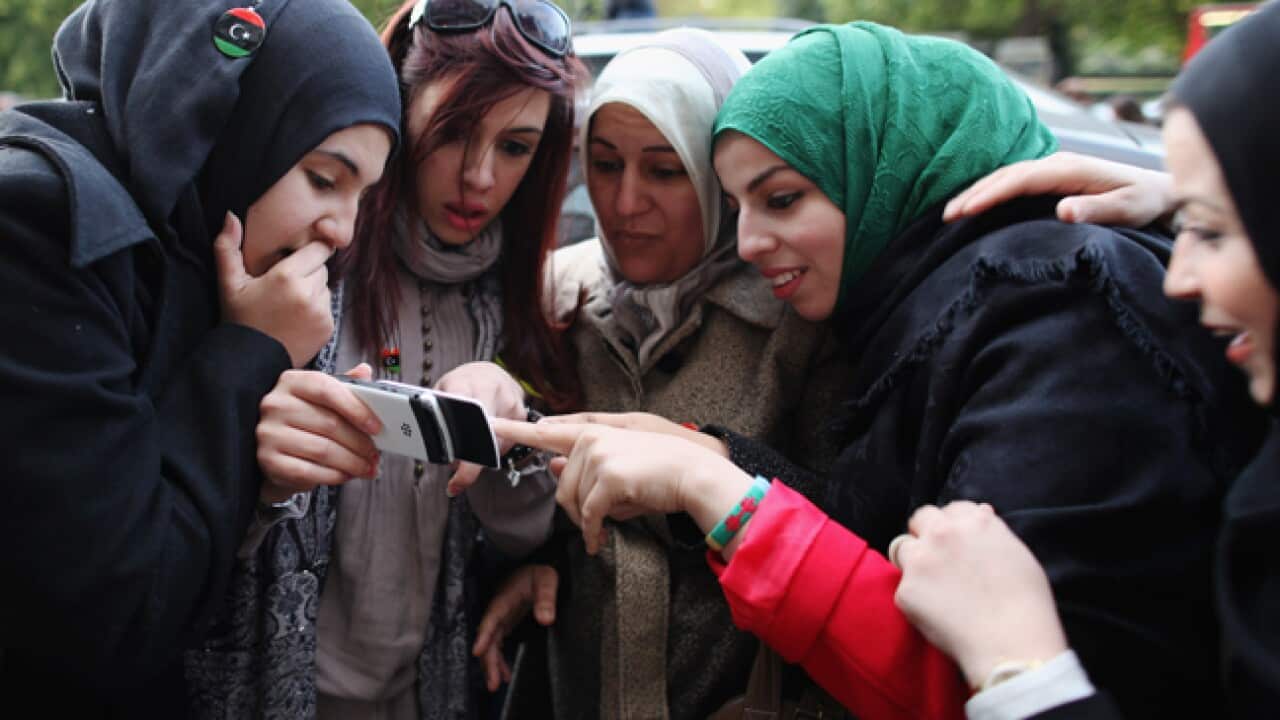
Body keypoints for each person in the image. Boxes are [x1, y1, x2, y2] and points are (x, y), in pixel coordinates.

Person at [491, 19, 1262, 720]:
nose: (752, 242)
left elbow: (1001, 676)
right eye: (738, 206)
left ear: (883, 170)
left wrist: (717, 490)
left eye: (784, 198)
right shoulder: (911, 306)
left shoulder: (1044, 305)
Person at [183, 0, 586, 717]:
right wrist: (262, 467)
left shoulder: (523, 301)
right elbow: (174, 529)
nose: (480, 177)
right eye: (456, 130)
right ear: (397, 108)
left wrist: (510, 430)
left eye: (516, 146)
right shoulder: (297, 260)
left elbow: (528, 534)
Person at [0, 0, 401, 715]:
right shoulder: (36, 226)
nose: (342, 231)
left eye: (362, 195)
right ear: (223, 127)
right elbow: (120, 610)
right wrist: (252, 354)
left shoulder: (181, 252)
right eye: (323, 178)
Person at [892, 4, 1280, 718]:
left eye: (1215, 233)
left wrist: (1025, 671)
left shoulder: (1052, 296)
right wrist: (1177, 195)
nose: (1177, 277)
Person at [470, 29, 834, 719]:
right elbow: (515, 489)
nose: (625, 202)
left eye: (665, 171)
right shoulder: (553, 295)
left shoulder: (800, 315)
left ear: (718, 177)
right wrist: (535, 555)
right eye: (604, 165)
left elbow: (848, 523)